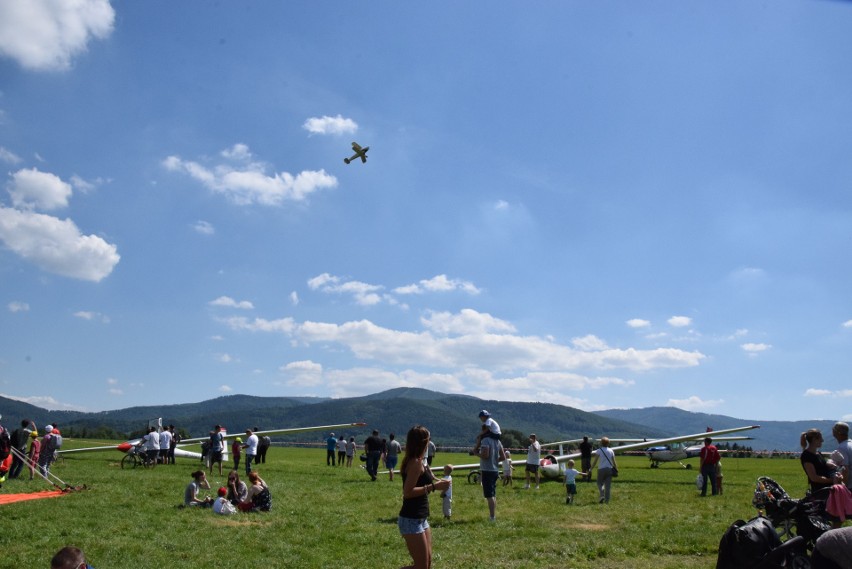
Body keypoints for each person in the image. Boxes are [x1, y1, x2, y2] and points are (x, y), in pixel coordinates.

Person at [398, 425, 451, 569]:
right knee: (421, 566)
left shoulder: (419, 460)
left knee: (426, 565)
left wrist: (439, 481)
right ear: (422, 442)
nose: (429, 442)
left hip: (421, 518)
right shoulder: (415, 463)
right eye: (428, 439)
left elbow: (427, 479)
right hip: (411, 519)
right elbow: (407, 492)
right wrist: (434, 487)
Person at [477, 426, 505, 521]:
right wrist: (494, 461)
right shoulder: (498, 441)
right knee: (493, 494)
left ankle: (492, 517)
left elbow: (485, 455)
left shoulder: (485, 440)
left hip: (487, 470)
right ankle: (493, 515)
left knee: (489, 495)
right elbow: (503, 457)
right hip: (495, 470)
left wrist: (476, 453)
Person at [589, 436, 617, 504]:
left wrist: (590, 469)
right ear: (608, 443)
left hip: (601, 469)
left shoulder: (599, 450)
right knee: (608, 486)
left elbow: (595, 461)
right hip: (609, 469)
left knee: (599, 483)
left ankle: (602, 495)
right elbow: (614, 462)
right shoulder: (611, 450)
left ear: (601, 443)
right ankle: (607, 501)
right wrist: (616, 469)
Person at [832, 422, 851, 490]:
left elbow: (845, 469)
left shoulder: (842, 448)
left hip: (849, 486)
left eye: (833, 429)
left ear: (838, 432)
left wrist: (843, 487)